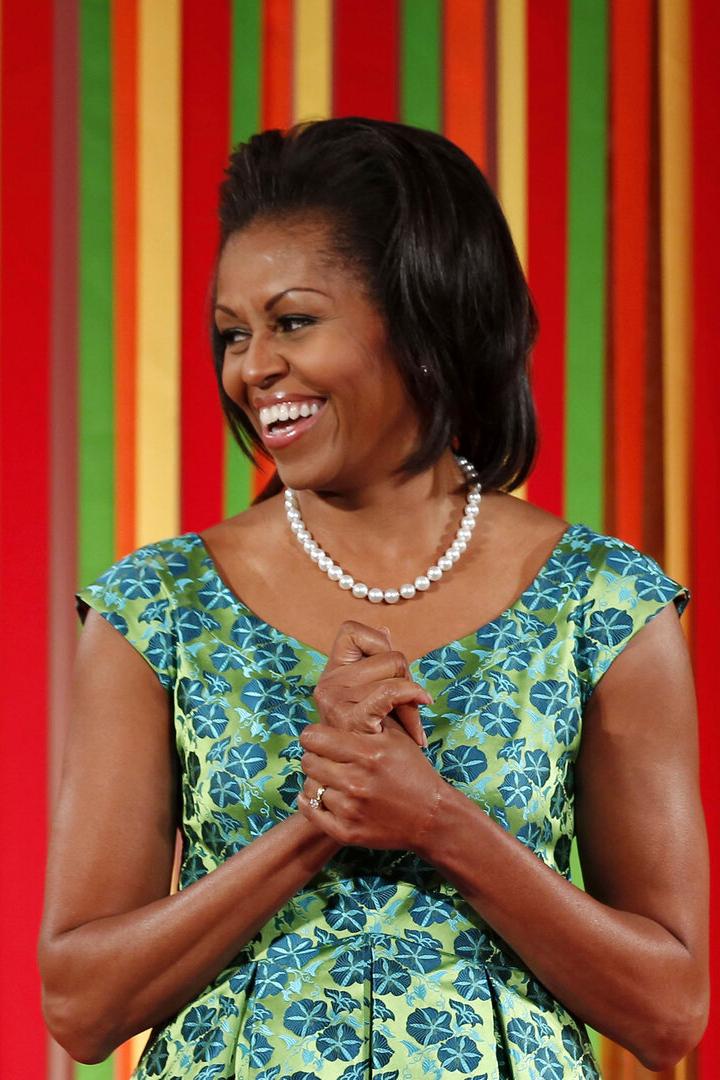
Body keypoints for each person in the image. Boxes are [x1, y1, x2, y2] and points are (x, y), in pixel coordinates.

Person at [39, 116, 708, 1078]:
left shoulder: (601, 605)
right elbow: (81, 1003)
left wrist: (437, 820)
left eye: (294, 321)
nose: (252, 367)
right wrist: (318, 820)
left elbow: (670, 1010)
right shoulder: (158, 608)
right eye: (233, 333)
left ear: (425, 317)